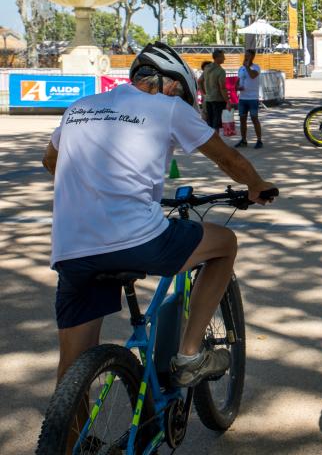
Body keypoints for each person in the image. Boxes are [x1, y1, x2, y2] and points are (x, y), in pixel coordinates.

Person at [42, 42, 277, 396]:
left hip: (71, 247)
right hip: (139, 239)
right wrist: (256, 185)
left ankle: (70, 443)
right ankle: (189, 356)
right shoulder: (166, 108)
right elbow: (228, 160)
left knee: (72, 367)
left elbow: (51, 163)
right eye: (179, 92)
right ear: (170, 84)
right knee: (225, 244)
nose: (178, 97)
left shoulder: (80, 107)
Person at [235, 49, 263, 149]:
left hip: (253, 98)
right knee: (242, 120)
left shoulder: (256, 67)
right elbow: (238, 81)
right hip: (242, 98)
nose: (246, 57)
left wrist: (247, 67)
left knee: (254, 118)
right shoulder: (241, 68)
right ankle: (243, 140)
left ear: (253, 57)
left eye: (248, 56)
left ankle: (259, 140)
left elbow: (252, 76)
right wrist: (237, 87)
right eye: (245, 55)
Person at [203, 49, 230, 134]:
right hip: (218, 100)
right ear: (217, 58)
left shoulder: (207, 68)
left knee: (210, 124)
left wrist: (204, 93)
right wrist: (228, 101)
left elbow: (199, 81)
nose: (224, 59)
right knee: (216, 125)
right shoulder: (221, 71)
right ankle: (216, 144)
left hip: (208, 99)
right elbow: (222, 88)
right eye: (223, 56)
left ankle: (211, 143)